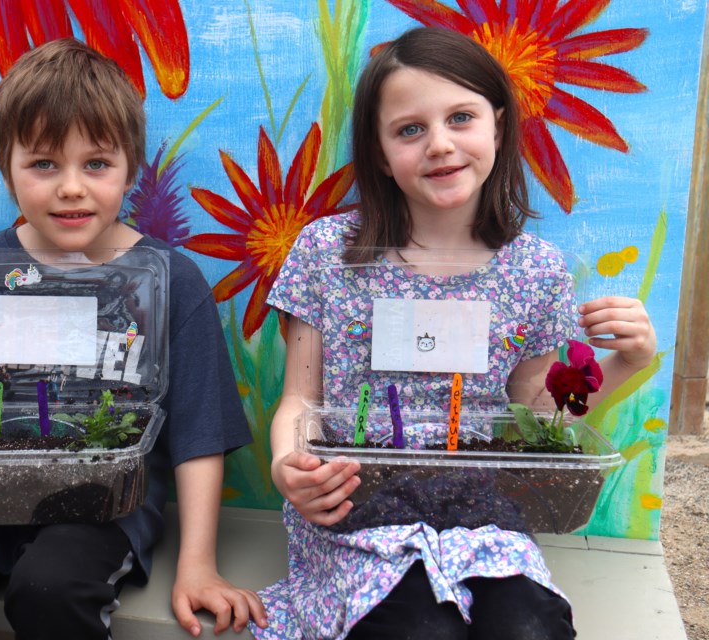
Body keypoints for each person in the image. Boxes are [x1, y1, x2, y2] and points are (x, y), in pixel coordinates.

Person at [0, 38, 268, 639]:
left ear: (130, 169)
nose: (72, 187)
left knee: (53, 589)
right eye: (44, 164)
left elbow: (199, 434)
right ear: (7, 170)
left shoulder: (172, 280)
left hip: (100, 506)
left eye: (96, 163)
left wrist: (198, 563)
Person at [252, 27, 656, 640]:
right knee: (416, 631)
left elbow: (536, 420)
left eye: (460, 117)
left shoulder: (535, 270)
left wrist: (626, 363)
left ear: (496, 125)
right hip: (360, 509)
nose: (439, 145)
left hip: (484, 516)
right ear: (381, 153)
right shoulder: (328, 254)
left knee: (530, 628)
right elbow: (300, 401)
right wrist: (289, 463)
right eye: (410, 129)